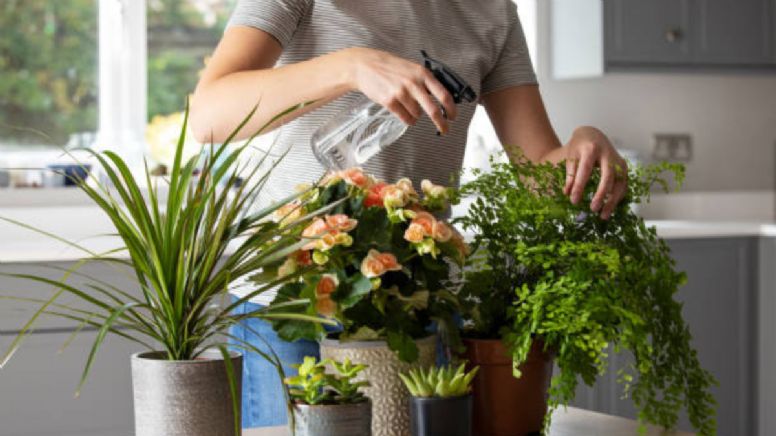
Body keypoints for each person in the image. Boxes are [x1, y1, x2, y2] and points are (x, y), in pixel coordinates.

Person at [191, 0, 629, 428]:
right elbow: (209, 114)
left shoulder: (492, 11)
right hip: (294, 305)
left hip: (414, 307)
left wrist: (584, 147)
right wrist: (351, 66)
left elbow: (540, 173)